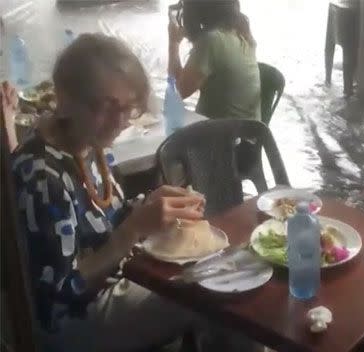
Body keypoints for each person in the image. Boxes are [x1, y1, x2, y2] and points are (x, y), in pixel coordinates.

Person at [11, 33, 255, 352]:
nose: (121, 121)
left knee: (234, 267)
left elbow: (107, 220)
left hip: (116, 284)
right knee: (218, 293)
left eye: (129, 108)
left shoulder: (89, 146)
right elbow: (64, 289)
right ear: (64, 98)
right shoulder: (41, 176)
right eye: (108, 106)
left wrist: (151, 205)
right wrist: (135, 228)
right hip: (71, 323)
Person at [168, 0, 261, 120]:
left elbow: (177, 93)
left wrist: (173, 43)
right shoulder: (243, 36)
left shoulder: (211, 41)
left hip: (221, 134)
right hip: (248, 134)